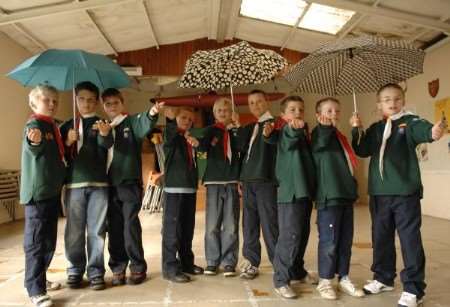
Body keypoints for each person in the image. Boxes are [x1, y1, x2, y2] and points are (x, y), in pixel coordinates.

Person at [351, 83, 445, 307]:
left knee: (409, 240)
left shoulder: (410, 122)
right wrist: (356, 128)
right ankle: (383, 278)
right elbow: (361, 150)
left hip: (405, 193)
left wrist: (434, 132)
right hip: (379, 193)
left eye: (396, 99)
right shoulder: (375, 129)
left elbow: (425, 131)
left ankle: (414, 289)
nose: (392, 103)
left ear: (403, 101)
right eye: (386, 100)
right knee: (381, 238)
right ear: (379, 104)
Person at [100, 88, 163, 285]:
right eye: (108, 104)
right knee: (114, 228)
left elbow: (144, 123)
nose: (112, 107)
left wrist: (152, 113)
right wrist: (103, 134)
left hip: (129, 184)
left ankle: (137, 267)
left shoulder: (131, 122)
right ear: (103, 106)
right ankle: (118, 268)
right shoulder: (103, 126)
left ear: (122, 103)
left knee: (130, 226)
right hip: (109, 186)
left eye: (115, 103)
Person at [60, 81, 113, 290]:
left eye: (91, 100)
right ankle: (74, 269)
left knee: (97, 230)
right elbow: (58, 155)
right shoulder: (66, 126)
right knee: (74, 230)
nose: (86, 103)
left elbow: (108, 149)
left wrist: (105, 135)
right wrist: (67, 142)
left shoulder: (103, 123)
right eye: (81, 99)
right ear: (75, 100)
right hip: (74, 184)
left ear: (97, 102)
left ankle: (96, 272)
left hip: (99, 184)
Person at [263, 95, 316, 299]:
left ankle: (297, 271)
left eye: (301, 109)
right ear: (283, 115)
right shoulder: (287, 130)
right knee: (289, 237)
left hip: (305, 192)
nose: (297, 113)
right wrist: (294, 129)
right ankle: (281, 279)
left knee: (302, 235)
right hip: (290, 193)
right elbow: (288, 138)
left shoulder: (304, 132)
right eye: (292, 110)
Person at [312, 97, 365, 300]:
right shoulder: (319, 133)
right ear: (319, 115)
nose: (334, 114)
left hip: (345, 196)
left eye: (336, 110)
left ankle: (343, 277)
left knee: (345, 241)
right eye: (328, 111)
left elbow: (349, 165)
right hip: (329, 196)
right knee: (329, 241)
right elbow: (319, 146)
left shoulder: (339, 136)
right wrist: (326, 129)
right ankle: (325, 280)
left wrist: (355, 128)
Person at [21, 85, 66, 307]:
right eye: (46, 100)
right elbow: (33, 146)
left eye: (55, 100)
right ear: (34, 103)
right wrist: (35, 140)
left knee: (48, 240)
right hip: (37, 192)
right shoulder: (35, 124)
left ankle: (40, 278)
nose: (52, 104)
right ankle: (35, 289)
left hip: (51, 191)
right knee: (36, 241)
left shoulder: (53, 125)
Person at [236, 89, 278, 280]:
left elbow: (276, 147)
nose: (255, 106)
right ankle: (251, 262)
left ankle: (279, 263)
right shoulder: (250, 127)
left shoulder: (275, 124)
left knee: (270, 223)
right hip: (248, 181)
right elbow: (242, 152)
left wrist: (270, 134)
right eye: (251, 103)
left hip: (265, 182)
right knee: (249, 224)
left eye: (259, 101)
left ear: (266, 101)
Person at [198, 98, 241, 277]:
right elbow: (202, 147)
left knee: (231, 225)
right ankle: (212, 261)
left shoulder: (237, 131)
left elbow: (242, 149)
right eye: (220, 111)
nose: (223, 113)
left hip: (232, 181)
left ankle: (229, 261)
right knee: (212, 225)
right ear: (215, 114)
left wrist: (237, 128)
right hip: (214, 182)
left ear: (232, 112)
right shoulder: (210, 131)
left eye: (226, 110)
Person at [162, 107, 204, 283]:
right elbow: (170, 137)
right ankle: (170, 267)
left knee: (187, 229)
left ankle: (186, 263)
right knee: (172, 231)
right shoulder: (171, 136)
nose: (187, 121)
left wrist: (197, 145)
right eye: (183, 117)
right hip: (174, 189)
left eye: (190, 119)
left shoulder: (189, 139)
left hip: (189, 188)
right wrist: (171, 121)